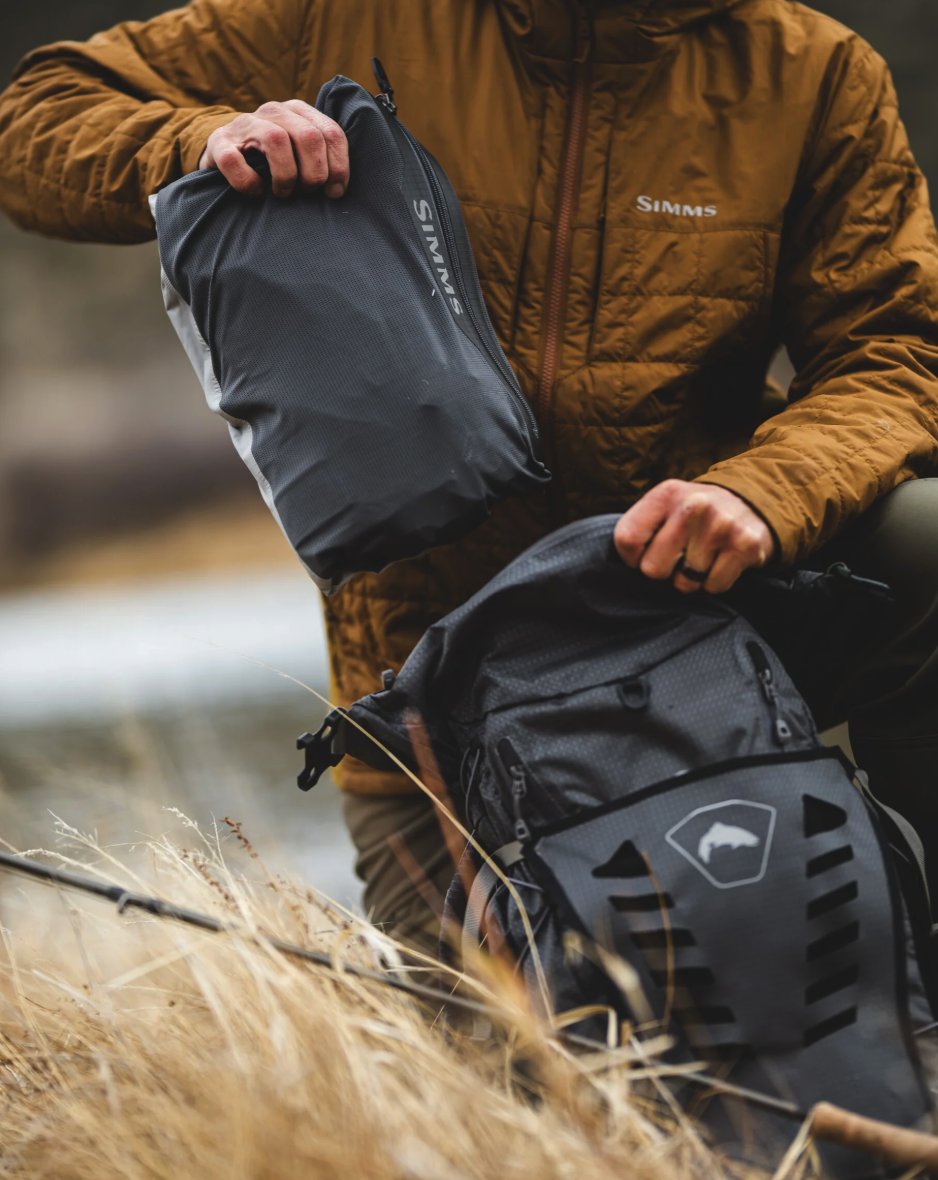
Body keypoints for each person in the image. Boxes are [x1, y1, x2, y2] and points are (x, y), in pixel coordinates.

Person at [3, 0, 938, 953]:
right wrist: (202, 141)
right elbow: (33, 115)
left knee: (927, 535)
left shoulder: (814, 70)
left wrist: (766, 491)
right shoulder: (336, 12)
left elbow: (897, 348)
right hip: (437, 703)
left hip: (712, 623)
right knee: (524, 1046)